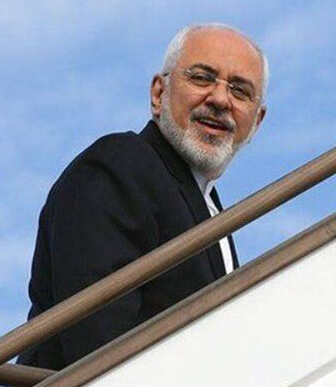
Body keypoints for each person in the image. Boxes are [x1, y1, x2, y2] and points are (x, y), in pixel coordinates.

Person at [18, 23, 268, 370]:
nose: (220, 99)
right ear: (158, 93)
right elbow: (99, 342)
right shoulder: (119, 167)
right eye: (201, 78)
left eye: (240, 91)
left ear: (256, 122)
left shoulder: (211, 209)